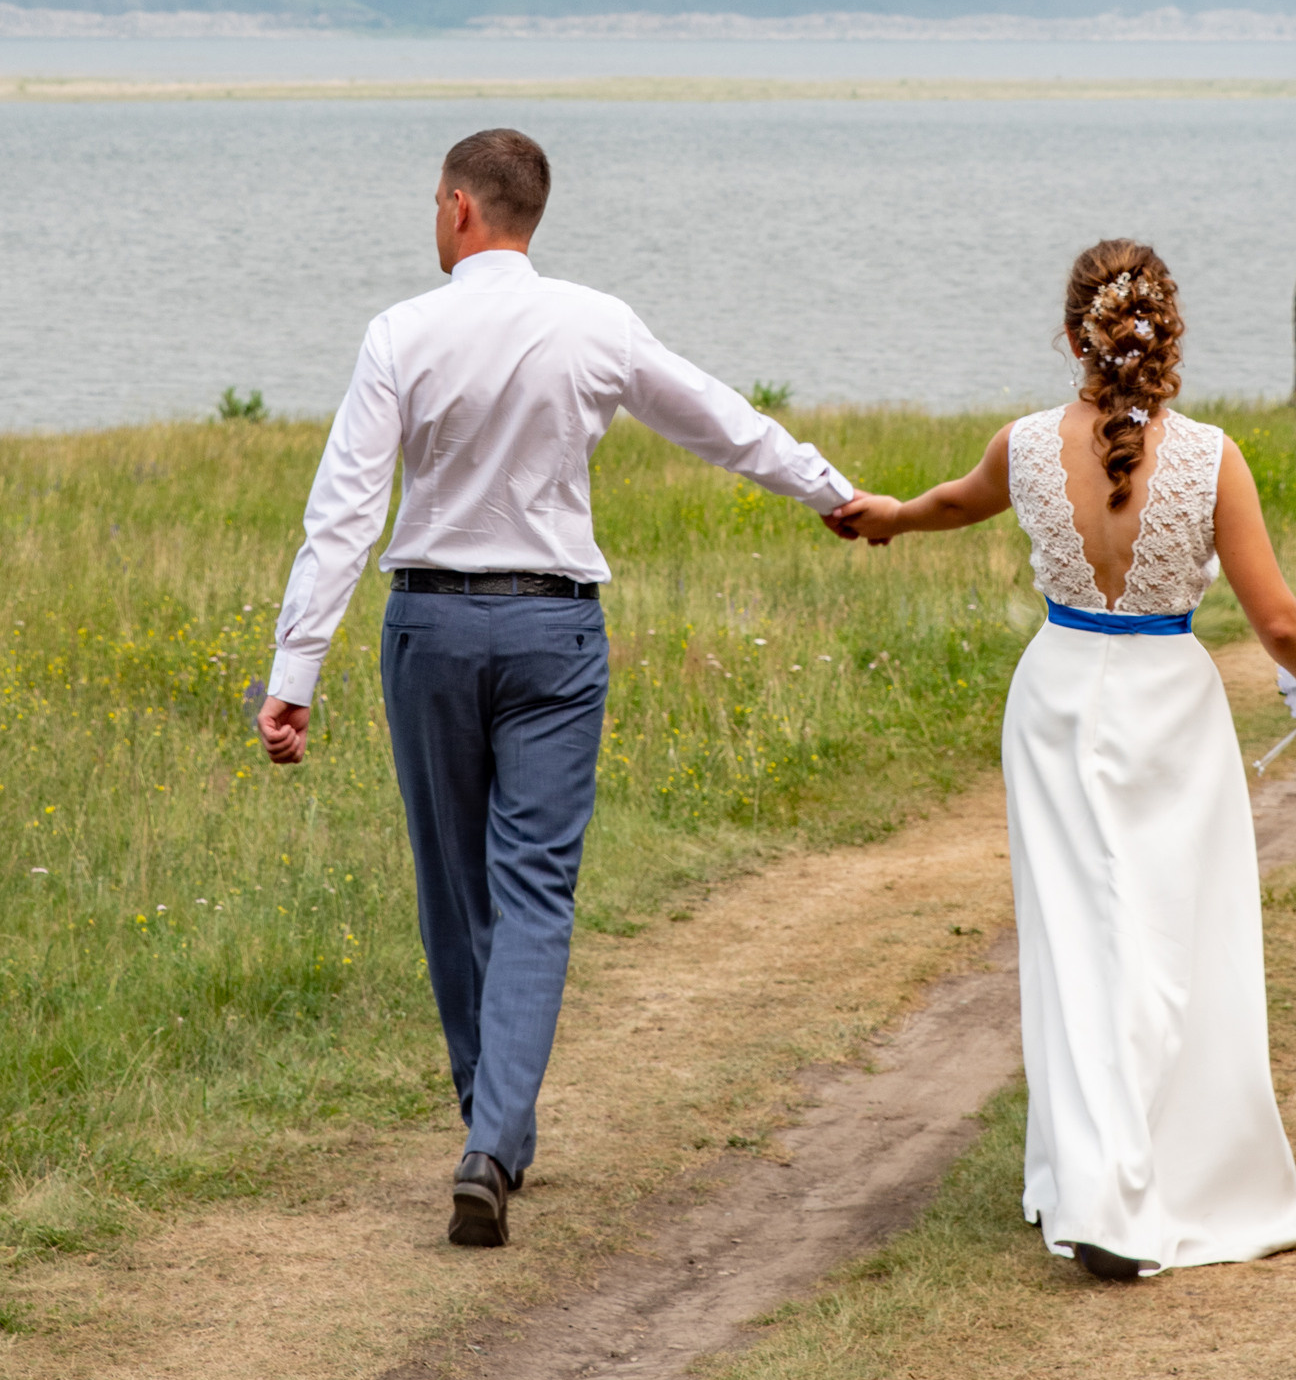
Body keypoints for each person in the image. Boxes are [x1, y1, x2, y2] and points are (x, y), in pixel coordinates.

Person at [257, 127, 854, 1249]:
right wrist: (826, 488)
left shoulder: (400, 333)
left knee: (453, 886)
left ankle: (489, 1124)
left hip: (429, 624)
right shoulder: (596, 323)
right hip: (552, 628)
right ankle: (494, 1138)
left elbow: (343, 510)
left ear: (460, 210)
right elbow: (719, 420)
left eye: (436, 204)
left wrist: (298, 671)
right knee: (534, 888)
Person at [828, 237, 1296, 1282]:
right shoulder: (1213, 457)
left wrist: (884, 516)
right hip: (1170, 707)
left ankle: (1099, 1186)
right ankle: (1158, 1175)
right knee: (1176, 937)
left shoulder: (1027, 445)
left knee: (1079, 939)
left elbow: (947, 501)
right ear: (1163, 334)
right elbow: (1274, 618)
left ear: (1071, 334)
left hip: (1058, 699)